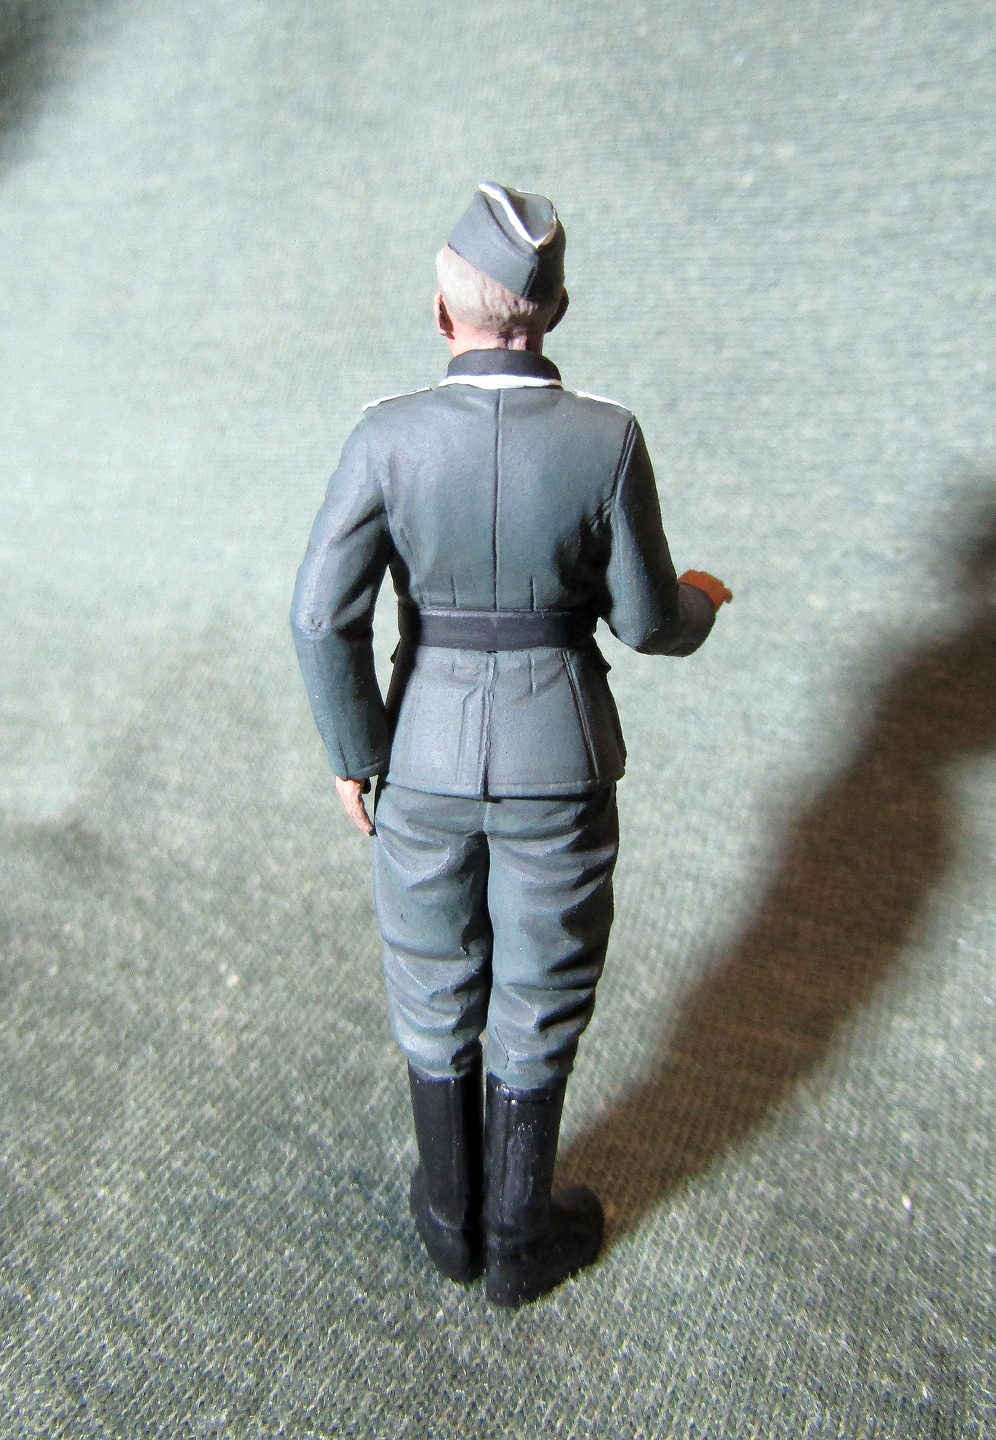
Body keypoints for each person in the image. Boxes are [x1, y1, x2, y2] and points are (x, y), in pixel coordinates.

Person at [291, 183, 731, 1307]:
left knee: (431, 974)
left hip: (420, 755)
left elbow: (321, 615)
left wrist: (356, 749)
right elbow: (647, 623)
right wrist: (702, 600)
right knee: (544, 986)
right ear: (559, 311)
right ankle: (519, 1234)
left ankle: (451, 1221)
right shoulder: (606, 439)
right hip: (558, 759)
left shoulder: (386, 437)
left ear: (442, 315)